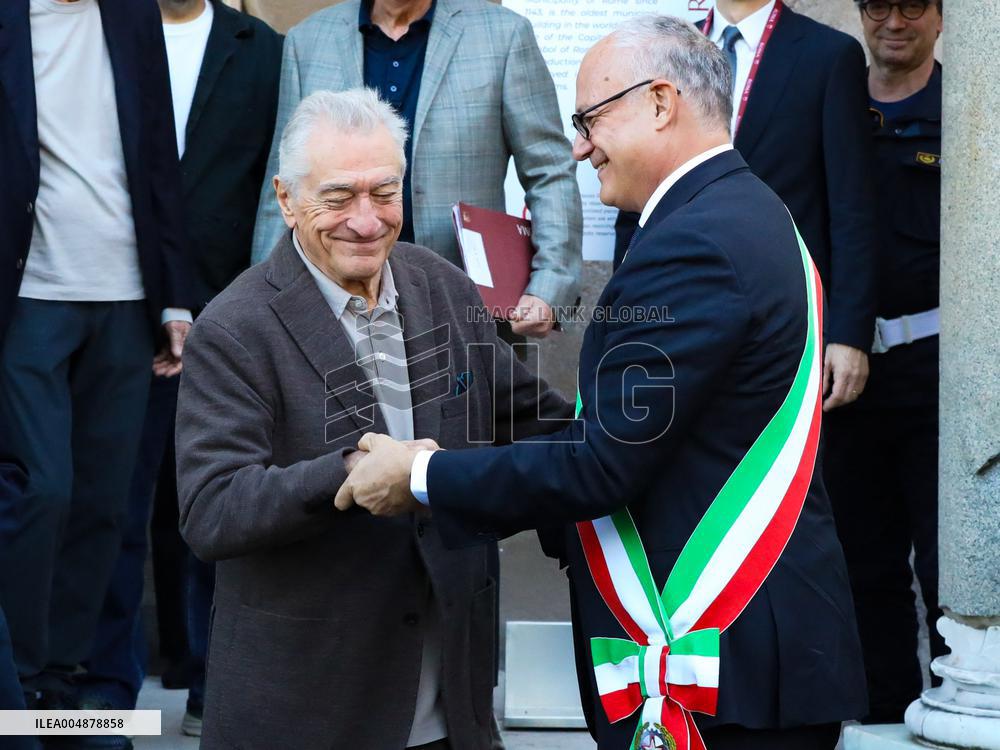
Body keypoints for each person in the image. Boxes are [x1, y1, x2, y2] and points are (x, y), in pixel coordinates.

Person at [338, 16, 868, 750]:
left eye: (588, 119)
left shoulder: (694, 244)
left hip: (727, 675)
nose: (580, 145)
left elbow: (602, 463)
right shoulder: (744, 212)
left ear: (659, 102)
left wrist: (423, 475)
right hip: (760, 661)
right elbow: (653, 433)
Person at [175, 88, 571, 750]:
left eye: (384, 193)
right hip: (309, 714)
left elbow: (539, 421)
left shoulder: (440, 285)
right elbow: (212, 510)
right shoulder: (234, 328)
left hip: (455, 712)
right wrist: (349, 476)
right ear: (285, 200)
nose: (366, 221)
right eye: (337, 198)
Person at [77, 0, 282, 742]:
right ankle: (103, 693)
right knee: (111, 506)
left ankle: (208, 681)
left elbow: (268, 181)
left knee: (210, 505)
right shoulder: (96, 32)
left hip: (227, 311)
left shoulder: (260, 48)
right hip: (112, 306)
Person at [0, 0, 193, 712]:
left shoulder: (130, 13)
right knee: (42, 487)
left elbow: (156, 152)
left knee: (104, 503)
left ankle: (62, 678)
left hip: (125, 295)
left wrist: (175, 296)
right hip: (30, 297)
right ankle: (13, 679)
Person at [249, 0, 582, 340]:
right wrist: (262, 298)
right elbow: (287, 180)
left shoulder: (504, 35)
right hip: (332, 303)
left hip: (466, 307)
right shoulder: (308, 40)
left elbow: (549, 169)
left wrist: (550, 283)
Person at [616, 0, 877, 413]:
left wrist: (848, 335)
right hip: (675, 306)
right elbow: (636, 195)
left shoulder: (828, 55)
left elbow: (852, 206)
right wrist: (622, 313)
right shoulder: (662, 53)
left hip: (783, 321)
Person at [824, 0, 944, 725]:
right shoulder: (834, 104)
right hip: (844, 378)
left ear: (940, 17)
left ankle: (963, 717)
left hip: (937, 374)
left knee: (946, 567)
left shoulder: (965, 110)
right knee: (862, 568)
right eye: (877, 5)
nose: (893, 21)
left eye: (912, 5)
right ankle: (883, 726)